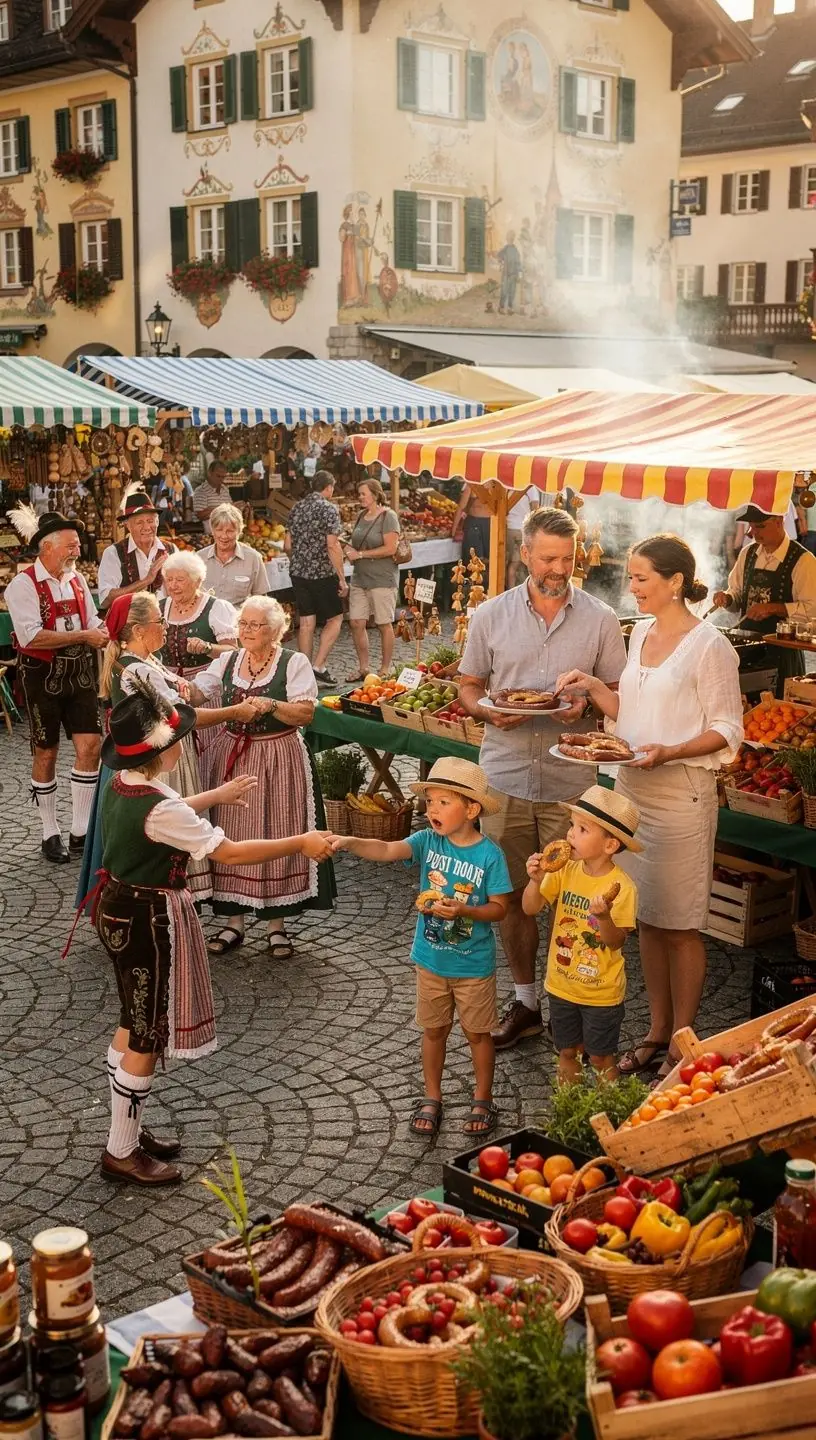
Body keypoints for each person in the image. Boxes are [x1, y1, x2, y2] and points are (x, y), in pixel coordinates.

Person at [92, 678, 337, 1185]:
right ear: (168, 749)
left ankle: (128, 1129)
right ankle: (120, 1150)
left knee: (131, 1015)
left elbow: (169, 811)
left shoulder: (123, 784)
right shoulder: (162, 806)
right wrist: (300, 841)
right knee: (147, 1030)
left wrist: (217, 794)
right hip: (148, 918)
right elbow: (227, 852)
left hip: (116, 908)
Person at [558, 534, 743, 1078]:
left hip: (682, 794)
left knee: (682, 925)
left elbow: (728, 729)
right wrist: (594, 686)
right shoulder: (638, 633)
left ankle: (684, 1042)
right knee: (647, 919)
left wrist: (672, 751)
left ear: (675, 582)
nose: (631, 587)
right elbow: (629, 714)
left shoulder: (711, 646)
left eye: (640, 578)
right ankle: (657, 1029)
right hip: (633, 794)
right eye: (632, 578)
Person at [458, 506, 626, 1051]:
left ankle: (570, 999)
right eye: (548, 557)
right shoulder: (490, 614)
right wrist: (487, 712)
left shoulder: (600, 618)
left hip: (571, 784)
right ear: (525, 553)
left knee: (572, 898)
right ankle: (527, 1000)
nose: (559, 568)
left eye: (568, 558)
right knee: (512, 899)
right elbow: (468, 686)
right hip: (504, 775)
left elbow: (620, 700)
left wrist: (587, 712)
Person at [336, 758, 511, 1138]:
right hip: (430, 960)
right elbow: (385, 850)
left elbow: (500, 909)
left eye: (443, 802)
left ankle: (483, 1098)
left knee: (478, 1034)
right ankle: (432, 1096)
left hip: (473, 966)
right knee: (433, 1031)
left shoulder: (489, 856)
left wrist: (464, 909)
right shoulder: (426, 842)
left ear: (472, 809)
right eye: (430, 802)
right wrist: (349, 841)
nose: (432, 809)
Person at [77, 591, 261, 902]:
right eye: (159, 621)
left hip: (145, 756)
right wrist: (233, 712)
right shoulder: (138, 670)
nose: (165, 626)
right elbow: (178, 718)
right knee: (162, 827)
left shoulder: (144, 660)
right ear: (138, 630)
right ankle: (161, 895)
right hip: (153, 761)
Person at [194, 595, 336, 959]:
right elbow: (200, 691)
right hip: (233, 756)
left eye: (255, 625)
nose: (246, 631)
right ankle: (233, 922)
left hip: (278, 755)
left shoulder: (294, 662)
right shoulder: (227, 660)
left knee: (277, 829)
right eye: (243, 624)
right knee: (230, 831)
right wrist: (174, 687)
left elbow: (305, 714)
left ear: (275, 631)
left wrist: (271, 705)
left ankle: (277, 926)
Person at [6, 505, 107, 863]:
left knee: (91, 746)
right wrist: (85, 634)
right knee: (45, 751)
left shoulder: (77, 580)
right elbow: (30, 637)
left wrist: (103, 632)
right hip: (42, 678)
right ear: (47, 546)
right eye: (71, 544)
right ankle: (50, 831)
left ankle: (80, 831)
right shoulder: (23, 585)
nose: (77, 550)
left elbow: (93, 619)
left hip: (79, 675)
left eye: (77, 544)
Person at [522, 787, 639, 1084]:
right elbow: (529, 907)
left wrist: (603, 918)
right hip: (561, 984)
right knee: (566, 1052)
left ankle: (609, 1113)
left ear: (610, 844)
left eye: (582, 829)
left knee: (601, 1056)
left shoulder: (622, 887)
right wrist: (535, 881)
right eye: (572, 825)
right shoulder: (565, 871)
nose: (571, 834)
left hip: (601, 991)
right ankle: (568, 1110)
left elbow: (616, 942)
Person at [712, 503, 816, 695]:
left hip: (783, 652)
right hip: (748, 650)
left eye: (760, 526)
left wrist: (774, 608)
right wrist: (727, 598)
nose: (753, 532)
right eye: (751, 526)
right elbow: (736, 594)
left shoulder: (804, 561)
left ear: (779, 522)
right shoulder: (748, 554)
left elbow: (812, 609)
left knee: (779, 714)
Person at [284, 470, 348, 686]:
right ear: (329, 487)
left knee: (306, 621)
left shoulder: (296, 508)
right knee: (335, 617)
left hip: (298, 573)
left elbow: (287, 546)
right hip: (322, 572)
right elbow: (332, 545)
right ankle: (319, 666)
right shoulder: (329, 509)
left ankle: (304, 672)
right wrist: (342, 578)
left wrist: (301, 559)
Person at [344, 475, 400, 680]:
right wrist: (348, 549)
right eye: (359, 494)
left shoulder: (388, 517)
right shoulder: (361, 516)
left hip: (382, 579)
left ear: (376, 495)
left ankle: (385, 669)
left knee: (384, 623)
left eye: (363, 494)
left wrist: (360, 555)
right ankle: (364, 668)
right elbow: (355, 542)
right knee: (357, 623)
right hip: (360, 578)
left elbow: (390, 548)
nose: (360, 497)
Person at [97, 485, 176, 610]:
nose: (146, 527)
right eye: (139, 522)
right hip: (129, 624)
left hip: (166, 621)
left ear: (157, 522)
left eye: (150, 521)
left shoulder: (171, 549)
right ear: (128, 526)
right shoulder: (113, 553)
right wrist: (146, 581)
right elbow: (106, 599)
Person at [199, 502, 269, 606]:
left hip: (238, 620)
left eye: (230, 531)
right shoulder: (199, 558)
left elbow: (261, 600)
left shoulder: (253, 558)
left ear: (239, 532)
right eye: (219, 530)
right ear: (212, 531)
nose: (224, 536)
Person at [451, 483, 492, 582]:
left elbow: (461, 507)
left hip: (474, 524)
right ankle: (485, 589)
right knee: (487, 561)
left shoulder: (472, 484)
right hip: (490, 524)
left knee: (472, 561)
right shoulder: (497, 485)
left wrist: (453, 530)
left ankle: (471, 589)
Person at [497, 232, 522, 314]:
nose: (510, 239)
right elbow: (499, 256)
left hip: (513, 274)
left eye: (512, 238)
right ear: (507, 239)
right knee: (504, 291)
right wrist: (501, 262)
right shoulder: (505, 248)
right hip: (506, 274)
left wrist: (519, 274)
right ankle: (501, 307)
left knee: (512, 291)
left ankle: (510, 308)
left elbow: (518, 262)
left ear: (513, 239)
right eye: (509, 238)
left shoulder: (515, 250)